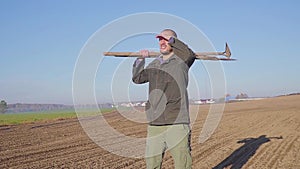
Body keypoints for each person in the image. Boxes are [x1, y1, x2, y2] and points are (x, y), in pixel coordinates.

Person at [132, 29, 196, 169]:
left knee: (182, 164)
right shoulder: (155, 64)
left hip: (177, 121)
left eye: (165, 39)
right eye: (160, 39)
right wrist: (140, 60)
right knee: (152, 164)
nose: (162, 42)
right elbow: (137, 78)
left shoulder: (182, 61)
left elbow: (190, 54)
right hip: (155, 122)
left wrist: (172, 40)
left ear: (174, 41)